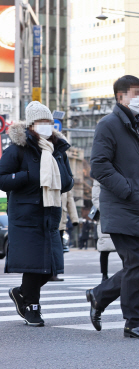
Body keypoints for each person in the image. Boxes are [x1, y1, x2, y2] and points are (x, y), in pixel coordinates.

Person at [86, 75, 139, 339]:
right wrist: (128, 190)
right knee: (136, 263)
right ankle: (133, 321)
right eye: (135, 93)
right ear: (121, 97)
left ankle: (98, 295)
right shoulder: (109, 125)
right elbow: (99, 166)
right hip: (122, 206)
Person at [1, 101, 74, 326]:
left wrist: (60, 178)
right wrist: (25, 176)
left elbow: (68, 181)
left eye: (49, 122)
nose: (47, 126)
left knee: (50, 267)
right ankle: (32, 308)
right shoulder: (18, 148)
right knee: (34, 266)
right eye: (42, 122)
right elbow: (2, 179)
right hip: (26, 214)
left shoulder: (57, 149)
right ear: (31, 124)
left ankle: (21, 293)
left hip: (50, 214)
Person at [92, 179, 117, 282]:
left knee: (124, 247)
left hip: (118, 214)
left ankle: (126, 271)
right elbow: (95, 198)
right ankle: (104, 275)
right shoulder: (98, 177)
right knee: (104, 247)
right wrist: (105, 209)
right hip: (105, 215)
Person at [53, 190, 79, 282]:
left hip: (60, 222)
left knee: (58, 250)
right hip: (48, 220)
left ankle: (54, 273)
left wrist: (74, 218)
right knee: (47, 248)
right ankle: (46, 273)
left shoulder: (65, 178)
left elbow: (70, 200)